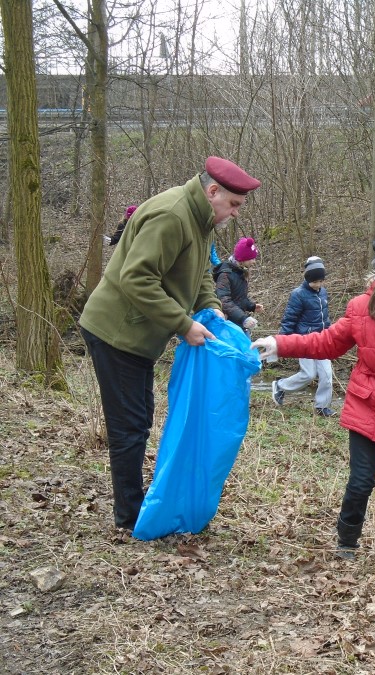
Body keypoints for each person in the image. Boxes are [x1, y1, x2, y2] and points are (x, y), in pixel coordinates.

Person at [79, 156, 261, 531]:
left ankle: (136, 505)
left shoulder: (202, 220)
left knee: (139, 419)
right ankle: (130, 517)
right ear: (213, 191)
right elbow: (136, 278)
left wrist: (211, 308)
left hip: (138, 335)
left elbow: (201, 274)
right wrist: (183, 324)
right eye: (234, 204)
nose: (236, 213)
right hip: (116, 332)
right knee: (130, 426)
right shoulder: (172, 215)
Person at [251, 237, 375, 561]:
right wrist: (280, 344)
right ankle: (346, 543)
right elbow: (326, 343)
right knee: (360, 481)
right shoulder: (360, 308)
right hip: (365, 403)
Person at [271, 256, 336, 417]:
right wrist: (282, 343)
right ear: (307, 279)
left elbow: (325, 317)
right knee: (308, 374)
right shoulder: (298, 294)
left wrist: (330, 334)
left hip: (322, 340)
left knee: (327, 375)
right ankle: (280, 386)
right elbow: (289, 319)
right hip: (304, 340)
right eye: (315, 282)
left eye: (321, 281)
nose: (318, 285)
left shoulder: (323, 292)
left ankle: (322, 407)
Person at [213, 237, 264, 335]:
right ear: (243, 259)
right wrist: (243, 318)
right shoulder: (225, 275)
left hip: (239, 324)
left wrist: (251, 306)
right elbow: (224, 301)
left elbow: (239, 298)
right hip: (228, 327)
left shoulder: (240, 272)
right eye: (252, 258)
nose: (254, 261)